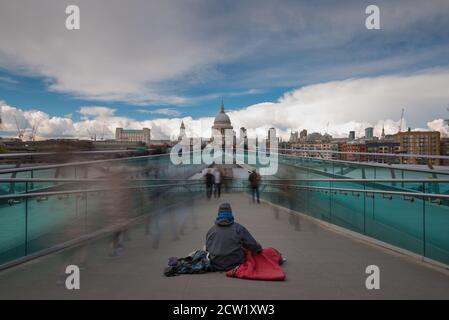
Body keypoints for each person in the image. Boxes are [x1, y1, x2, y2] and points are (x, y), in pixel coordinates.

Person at [206, 203, 262, 271]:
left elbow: (208, 249)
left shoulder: (211, 231)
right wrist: (258, 248)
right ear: (231, 213)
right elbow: (253, 245)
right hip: (235, 263)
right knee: (245, 248)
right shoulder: (238, 228)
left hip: (216, 264)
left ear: (218, 214)